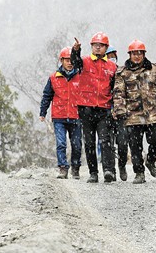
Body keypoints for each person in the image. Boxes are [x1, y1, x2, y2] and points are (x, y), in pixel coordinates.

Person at [112, 40, 156, 184]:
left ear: (144, 54)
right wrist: (120, 111)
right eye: (134, 53)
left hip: (152, 115)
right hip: (132, 116)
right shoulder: (122, 72)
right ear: (129, 55)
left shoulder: (154, 70)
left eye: (139, 53)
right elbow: (118, 93)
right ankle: (139, 172)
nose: (137, 56)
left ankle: (150, 161)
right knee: (135, 147)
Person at [71, 32, 117, 183]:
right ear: (91, 47)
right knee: (89, 142)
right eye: (95, 45)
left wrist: (115, 107)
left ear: (106, 48)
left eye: (101, 45)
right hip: (86, 108)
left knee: (105, 141)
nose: (98, 48)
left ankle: (109, 170)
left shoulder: (112, 66)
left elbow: (115, 88)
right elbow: (74, 62)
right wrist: (76, 50)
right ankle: (93, 173)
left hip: (104, 108)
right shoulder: (83, 62)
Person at [39, 47, 82, 179]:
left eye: (71, 60)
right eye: (66, 60)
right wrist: (43, 112)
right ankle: (63, 168)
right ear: (61, 61)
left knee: (77, 144)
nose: (69, 63)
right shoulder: (53, 78)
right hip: (59, 116)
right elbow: (47, 96)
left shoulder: (80, 76)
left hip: (76, 116)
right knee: (61, 143)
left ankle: (75, 167)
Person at [106, 45, 130, 181]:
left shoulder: (122, 72)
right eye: (109, 57)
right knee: (107, 143)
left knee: (122, 142)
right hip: (106, 113)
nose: (111, 59)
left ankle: (122, 165)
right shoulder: (101, 74)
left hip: (121, 114)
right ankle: (110, 169)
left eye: (113, 56)